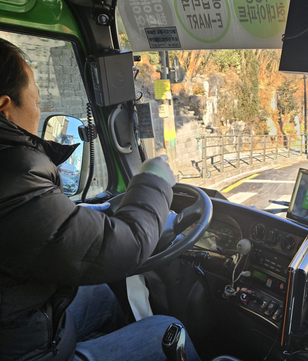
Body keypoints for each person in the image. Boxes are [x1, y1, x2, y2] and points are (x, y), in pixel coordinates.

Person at [0, 38, 200, 361]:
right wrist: (154, 178)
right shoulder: (13, 175)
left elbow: (44, 228)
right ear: (4, 106)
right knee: (165, 330)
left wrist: (87, 213)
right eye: (36, 101)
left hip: (17, 328)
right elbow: (133, 242)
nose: (38, 111)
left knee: (99, 294)